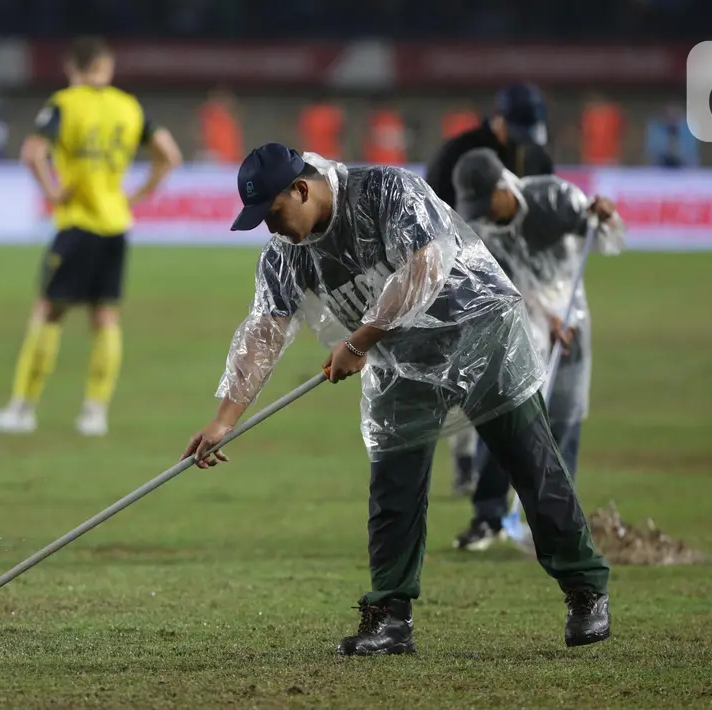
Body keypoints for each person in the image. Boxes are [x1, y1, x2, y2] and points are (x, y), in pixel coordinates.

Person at [181, 142, 611, 656]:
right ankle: (389, 615)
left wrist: (359, 340)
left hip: (480, 335)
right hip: (399, 361)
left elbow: (425, 265)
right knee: (393, 485)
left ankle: (586, 589)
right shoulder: (286, 254)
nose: (271, 230)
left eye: (272, 215)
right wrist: (224, 420)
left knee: (533, 465)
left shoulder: (387, 190)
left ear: (300, 189)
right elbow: (264, 330)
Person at [0, 37, 182, 437]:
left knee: (48, 312)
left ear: (72, 67)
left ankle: (21, 410)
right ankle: (94, 413)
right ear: (106, 65)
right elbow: (170, 155)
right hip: (116, 225)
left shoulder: (64, 104)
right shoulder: (128, 106)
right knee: (105, 317)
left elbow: (31, 152)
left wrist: (52, 192)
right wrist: (137, 195)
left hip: (77, 225)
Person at [448, 148, 625, 550]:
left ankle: (557, 521)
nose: (484, 213)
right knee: (503, 414)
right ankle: (488, 516)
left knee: (565, 417)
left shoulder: (555, 199)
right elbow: (504, 286)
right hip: (520, 323)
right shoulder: (486, 231)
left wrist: (605, 215)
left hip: (572, 324)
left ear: (503, 186)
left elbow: (608, 237)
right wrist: (545, 315)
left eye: (485, 202)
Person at [424, 81, 556, 497]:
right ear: (498, 120)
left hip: (521, 278)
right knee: (464, 373)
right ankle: (465, 459)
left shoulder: (536, 155)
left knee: (524, 368)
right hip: (463, 278)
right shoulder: (456, 153)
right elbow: (431, 213)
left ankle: (514, 467)